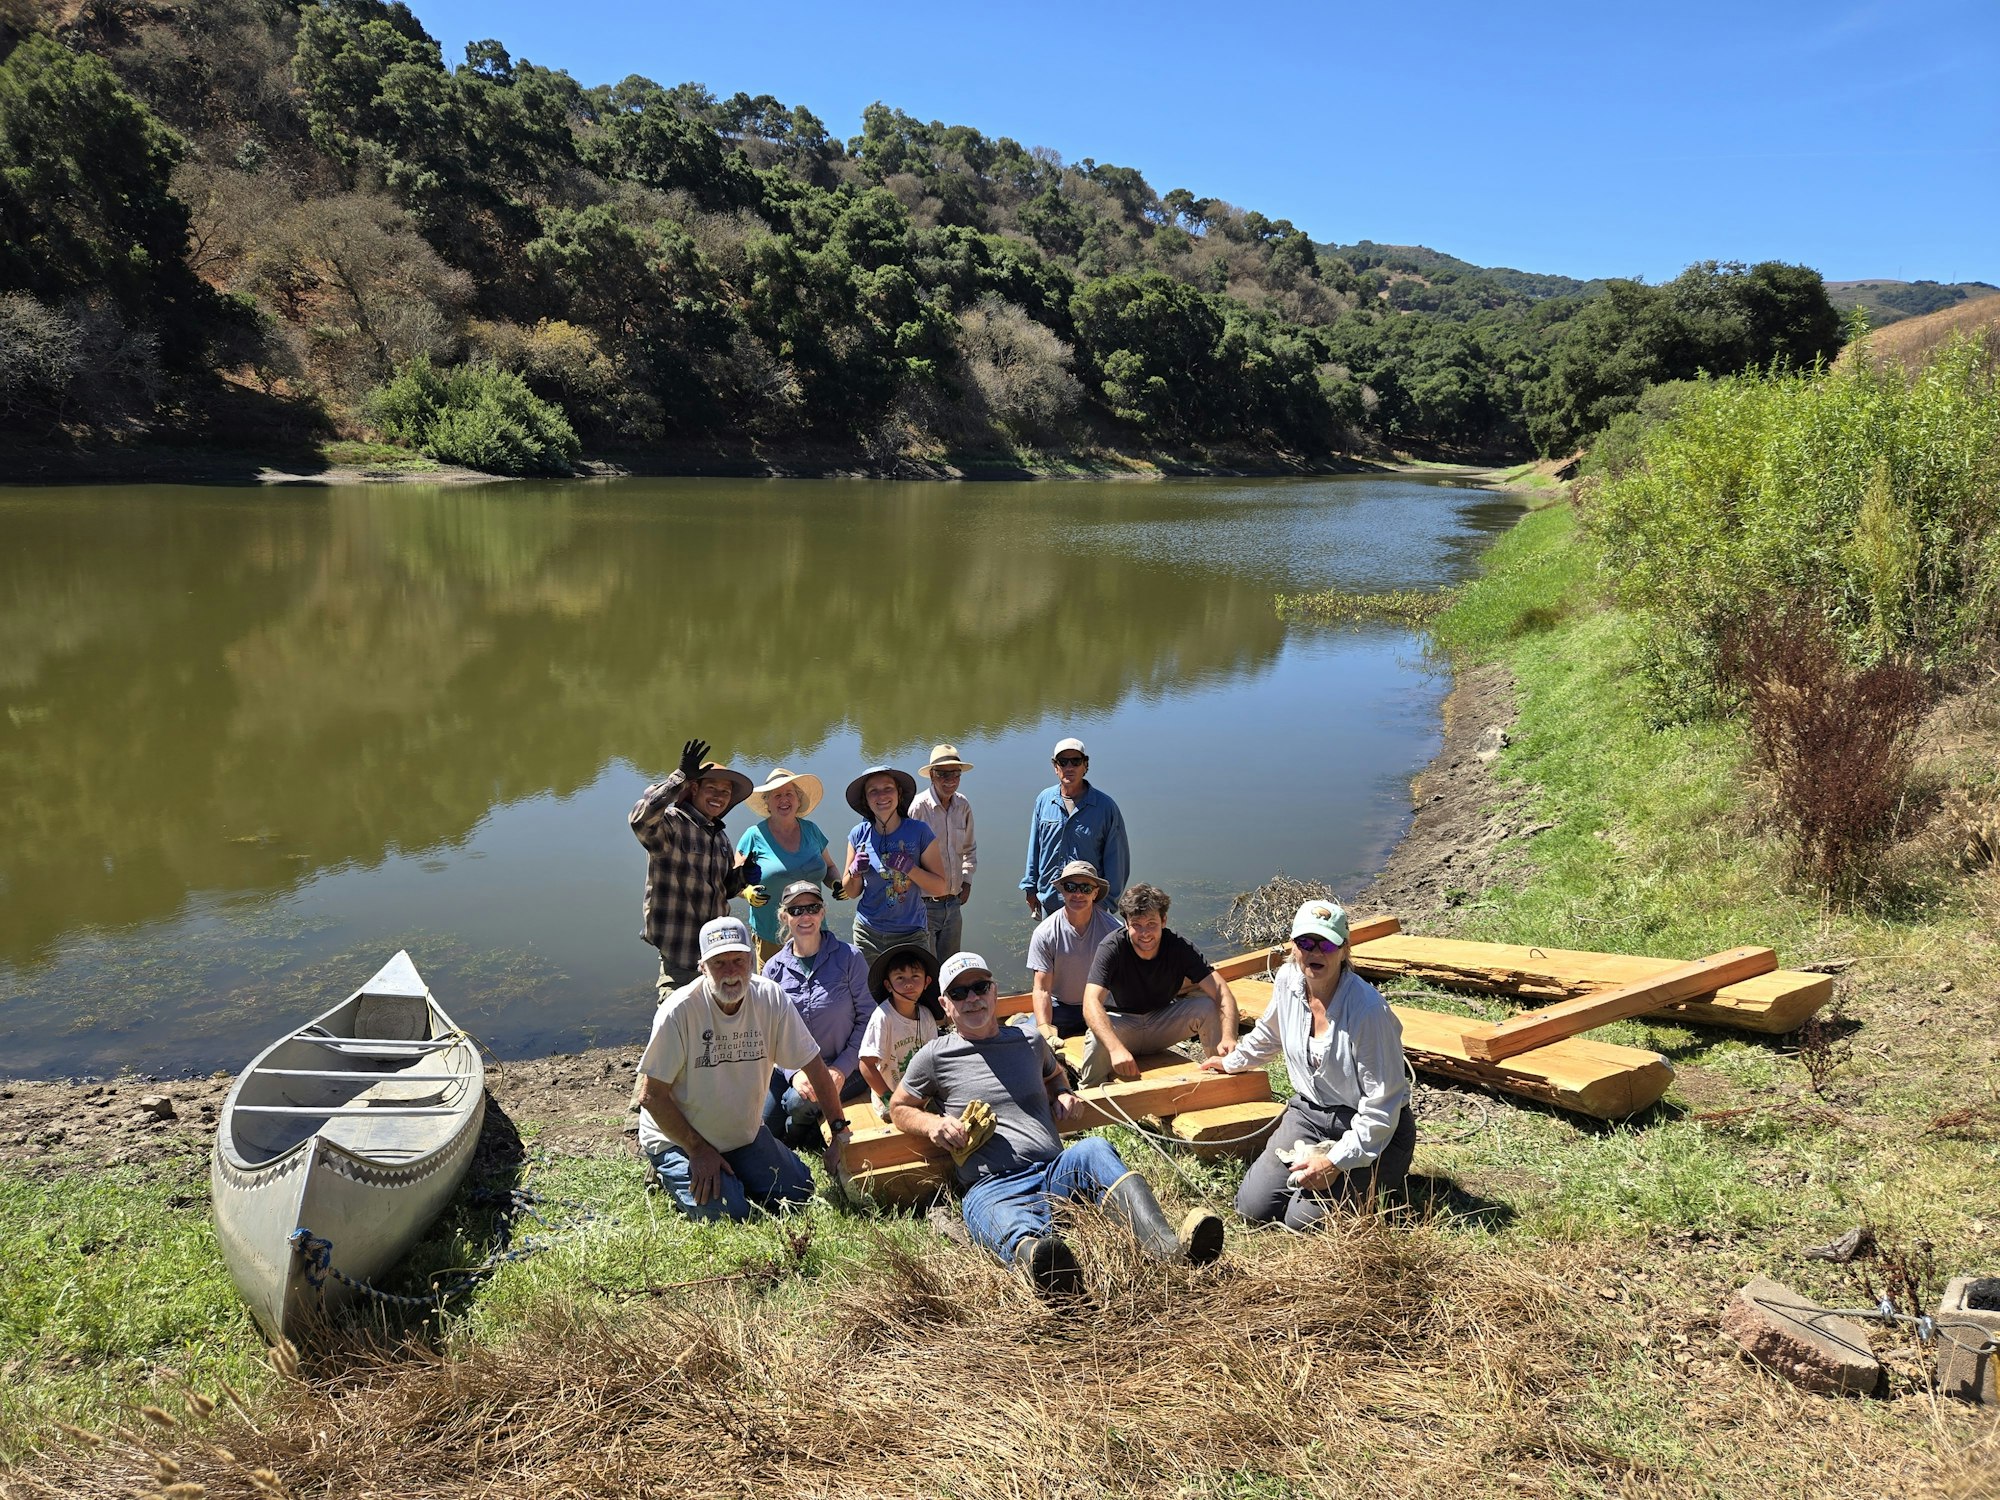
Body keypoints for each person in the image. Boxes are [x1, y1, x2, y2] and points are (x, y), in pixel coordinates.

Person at [891, 952, 1224, 1295]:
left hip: (1054, 1171)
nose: (972, 999)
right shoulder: (934, 1055)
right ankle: (1050, 1272)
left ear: (994, 991)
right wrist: (932, 1123)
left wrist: (1063, 1093)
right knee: (1004, 1221)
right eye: (959, 994)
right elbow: (899, 1107)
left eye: (979, 987)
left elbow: (1055, 1076)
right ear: (946, 1004)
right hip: (992, 1186)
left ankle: (1168, 1248)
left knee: (1095, 1149)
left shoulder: (1029, 1040)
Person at [1203, 898, 1415, 1225]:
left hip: (1373, 1129)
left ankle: (1382, 1179)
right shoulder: (1288, 979)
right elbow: (1270, 1033)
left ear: (1345, 949)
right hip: (1308, 1114)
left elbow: (1381, 1108)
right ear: (1293, 946)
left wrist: (1335, 1162)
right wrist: (1232, 1062)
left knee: (1301, 1223)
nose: (1315, 951)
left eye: (1327, 943)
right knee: (1251, 1208)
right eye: (1305, 942)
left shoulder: (1368, 1012)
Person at [636, 916, 850, 1220]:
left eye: (738, 960)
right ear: (702, 967)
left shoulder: (770, 997)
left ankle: (738, 1169)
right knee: (730, 1213)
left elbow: (814, 1066)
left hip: (741, 1134)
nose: (731, 973)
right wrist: (697, 1149)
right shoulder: (679, 1011)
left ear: (751, 960)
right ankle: (670, 1167)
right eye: (719, 964)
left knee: (800, 1191)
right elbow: (651, 1096)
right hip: (681, 1139)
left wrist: (839, 1132)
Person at [631, 737, 761, 1000]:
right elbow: (641, 821)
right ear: (694, 790)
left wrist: (742, 877)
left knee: (720, 1024)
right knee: (675, 1025)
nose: (719, 796)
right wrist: (679, 777)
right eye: (711, 788)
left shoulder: (721, 839)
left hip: (718, 950)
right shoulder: (673, 824)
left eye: (725, 792)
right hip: (681, 953)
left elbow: (722, 889)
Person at [1077, 883, 1238, 1086]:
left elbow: (1221, 991)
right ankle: (1090, 1094)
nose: (1145, 933)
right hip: (1123, 1024)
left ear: (1163, 921)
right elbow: (1090, 1001)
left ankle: (1222, 1071)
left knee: (1208, 1006)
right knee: (1096, 1035)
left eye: (1151, 923)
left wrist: (1230, 1036)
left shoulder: (1179, 947)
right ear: (1126, 923)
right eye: (1137, 924)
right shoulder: (1111, 948)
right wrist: (1116, 1048)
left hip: (1162, 1022)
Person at [761, 880, 874, 1148]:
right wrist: (793, 1073)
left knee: (798, 1103)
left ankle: (802, 1133)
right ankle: (806, 1120)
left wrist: (840, 1069)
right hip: (795, 1067)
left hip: (846, 1066)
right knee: (761, 1129)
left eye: (812, 907)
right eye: (796, 910)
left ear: (822, 912)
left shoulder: (850, 958)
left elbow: (868, 1019)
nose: (805, 916)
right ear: (784, 916)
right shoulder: (772, 970)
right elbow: (770, 1032)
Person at [834, 765, 951, 963]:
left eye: (888, 788)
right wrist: (854, 873)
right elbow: (852, 892)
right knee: (869, 992)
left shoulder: (919, 831)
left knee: (913, 991)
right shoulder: (858, 835)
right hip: (867, 933)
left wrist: (910, 869)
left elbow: (940, 887)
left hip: (911, 933)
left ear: (899, 794)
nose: (882, 796)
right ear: (866, 799)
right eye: (873, 791)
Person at [736, 768, 843, 966]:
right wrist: (747, 892)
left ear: (798, 799)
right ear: (767, 802)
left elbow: (829, 867)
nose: (783, 800)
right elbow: (734, 882)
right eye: (777, 795)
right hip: (771, 935)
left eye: (789, 794)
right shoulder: (753, 835)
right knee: (773, 991)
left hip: (814, 929)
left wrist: (837, 882)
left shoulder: (812, 830)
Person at [1021, 737, 1129, 917]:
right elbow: (1035, 848)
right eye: (1063, 762)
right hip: (1050, 900)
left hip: (1089, 904)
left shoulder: (1105, 807)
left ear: (1085, 765)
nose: (1069, 767)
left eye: (1076, 761)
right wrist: (1030, 888)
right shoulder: (1044, 800)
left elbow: (1117, 861)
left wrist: (1105, 903)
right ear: (1055, 767)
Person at [1027, 859, 1122, 1040]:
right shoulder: (1044, 933)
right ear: (1062, 891)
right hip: (1062, 1008)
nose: (1078, 894)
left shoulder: (1114, 930)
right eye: (1071, 887)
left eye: (1085, 888)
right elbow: (1042, 989)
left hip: (1104, 1006)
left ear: (1095, 893)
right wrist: (1045, 1027)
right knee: (1032, 1038)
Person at [909, 744, 978, 962]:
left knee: (952, 967)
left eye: (955, 774)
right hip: (924, 904)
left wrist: (967, 881)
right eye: (943, 774)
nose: (950, 780)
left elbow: (969, 848)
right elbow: (909, 861)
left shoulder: (963, 805)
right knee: (927, 968)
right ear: (931, 775)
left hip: (954, 903)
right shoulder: (918, 808)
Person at [856, 942, 941, 1119]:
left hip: (920, 1097)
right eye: (900, 978)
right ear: (888, 985)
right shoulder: (883, 1017)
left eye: (916, 976)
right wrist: (889, 1100)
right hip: (890, 1097)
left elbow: (935, 1061)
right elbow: (866, 1065)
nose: (909, 984)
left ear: (927, 982)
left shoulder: (926, 1016)